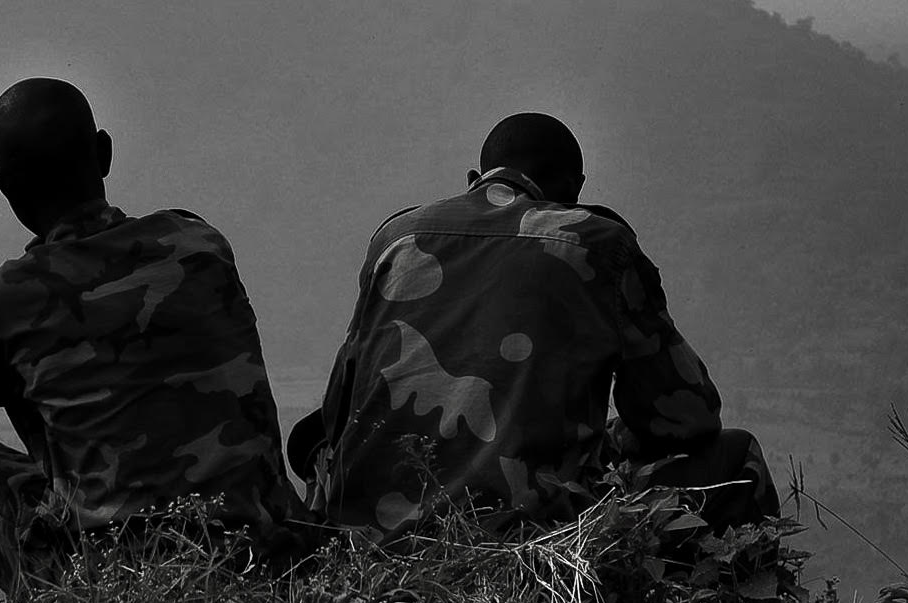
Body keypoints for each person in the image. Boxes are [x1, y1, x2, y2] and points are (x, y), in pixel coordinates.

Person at [0, 77, 296, 603]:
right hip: (262, 554)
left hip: (104, 578)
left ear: (4, 186)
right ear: (103, 152)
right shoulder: (199, 244)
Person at [291, 113, 777, 536]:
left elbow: (337, 415)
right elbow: (687, 418)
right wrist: (611, 443)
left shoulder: (396, 238)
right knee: (736, 461)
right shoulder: (597, 243)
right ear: (574, 189)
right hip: (527, 532)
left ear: (474, 178)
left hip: (370, 533)